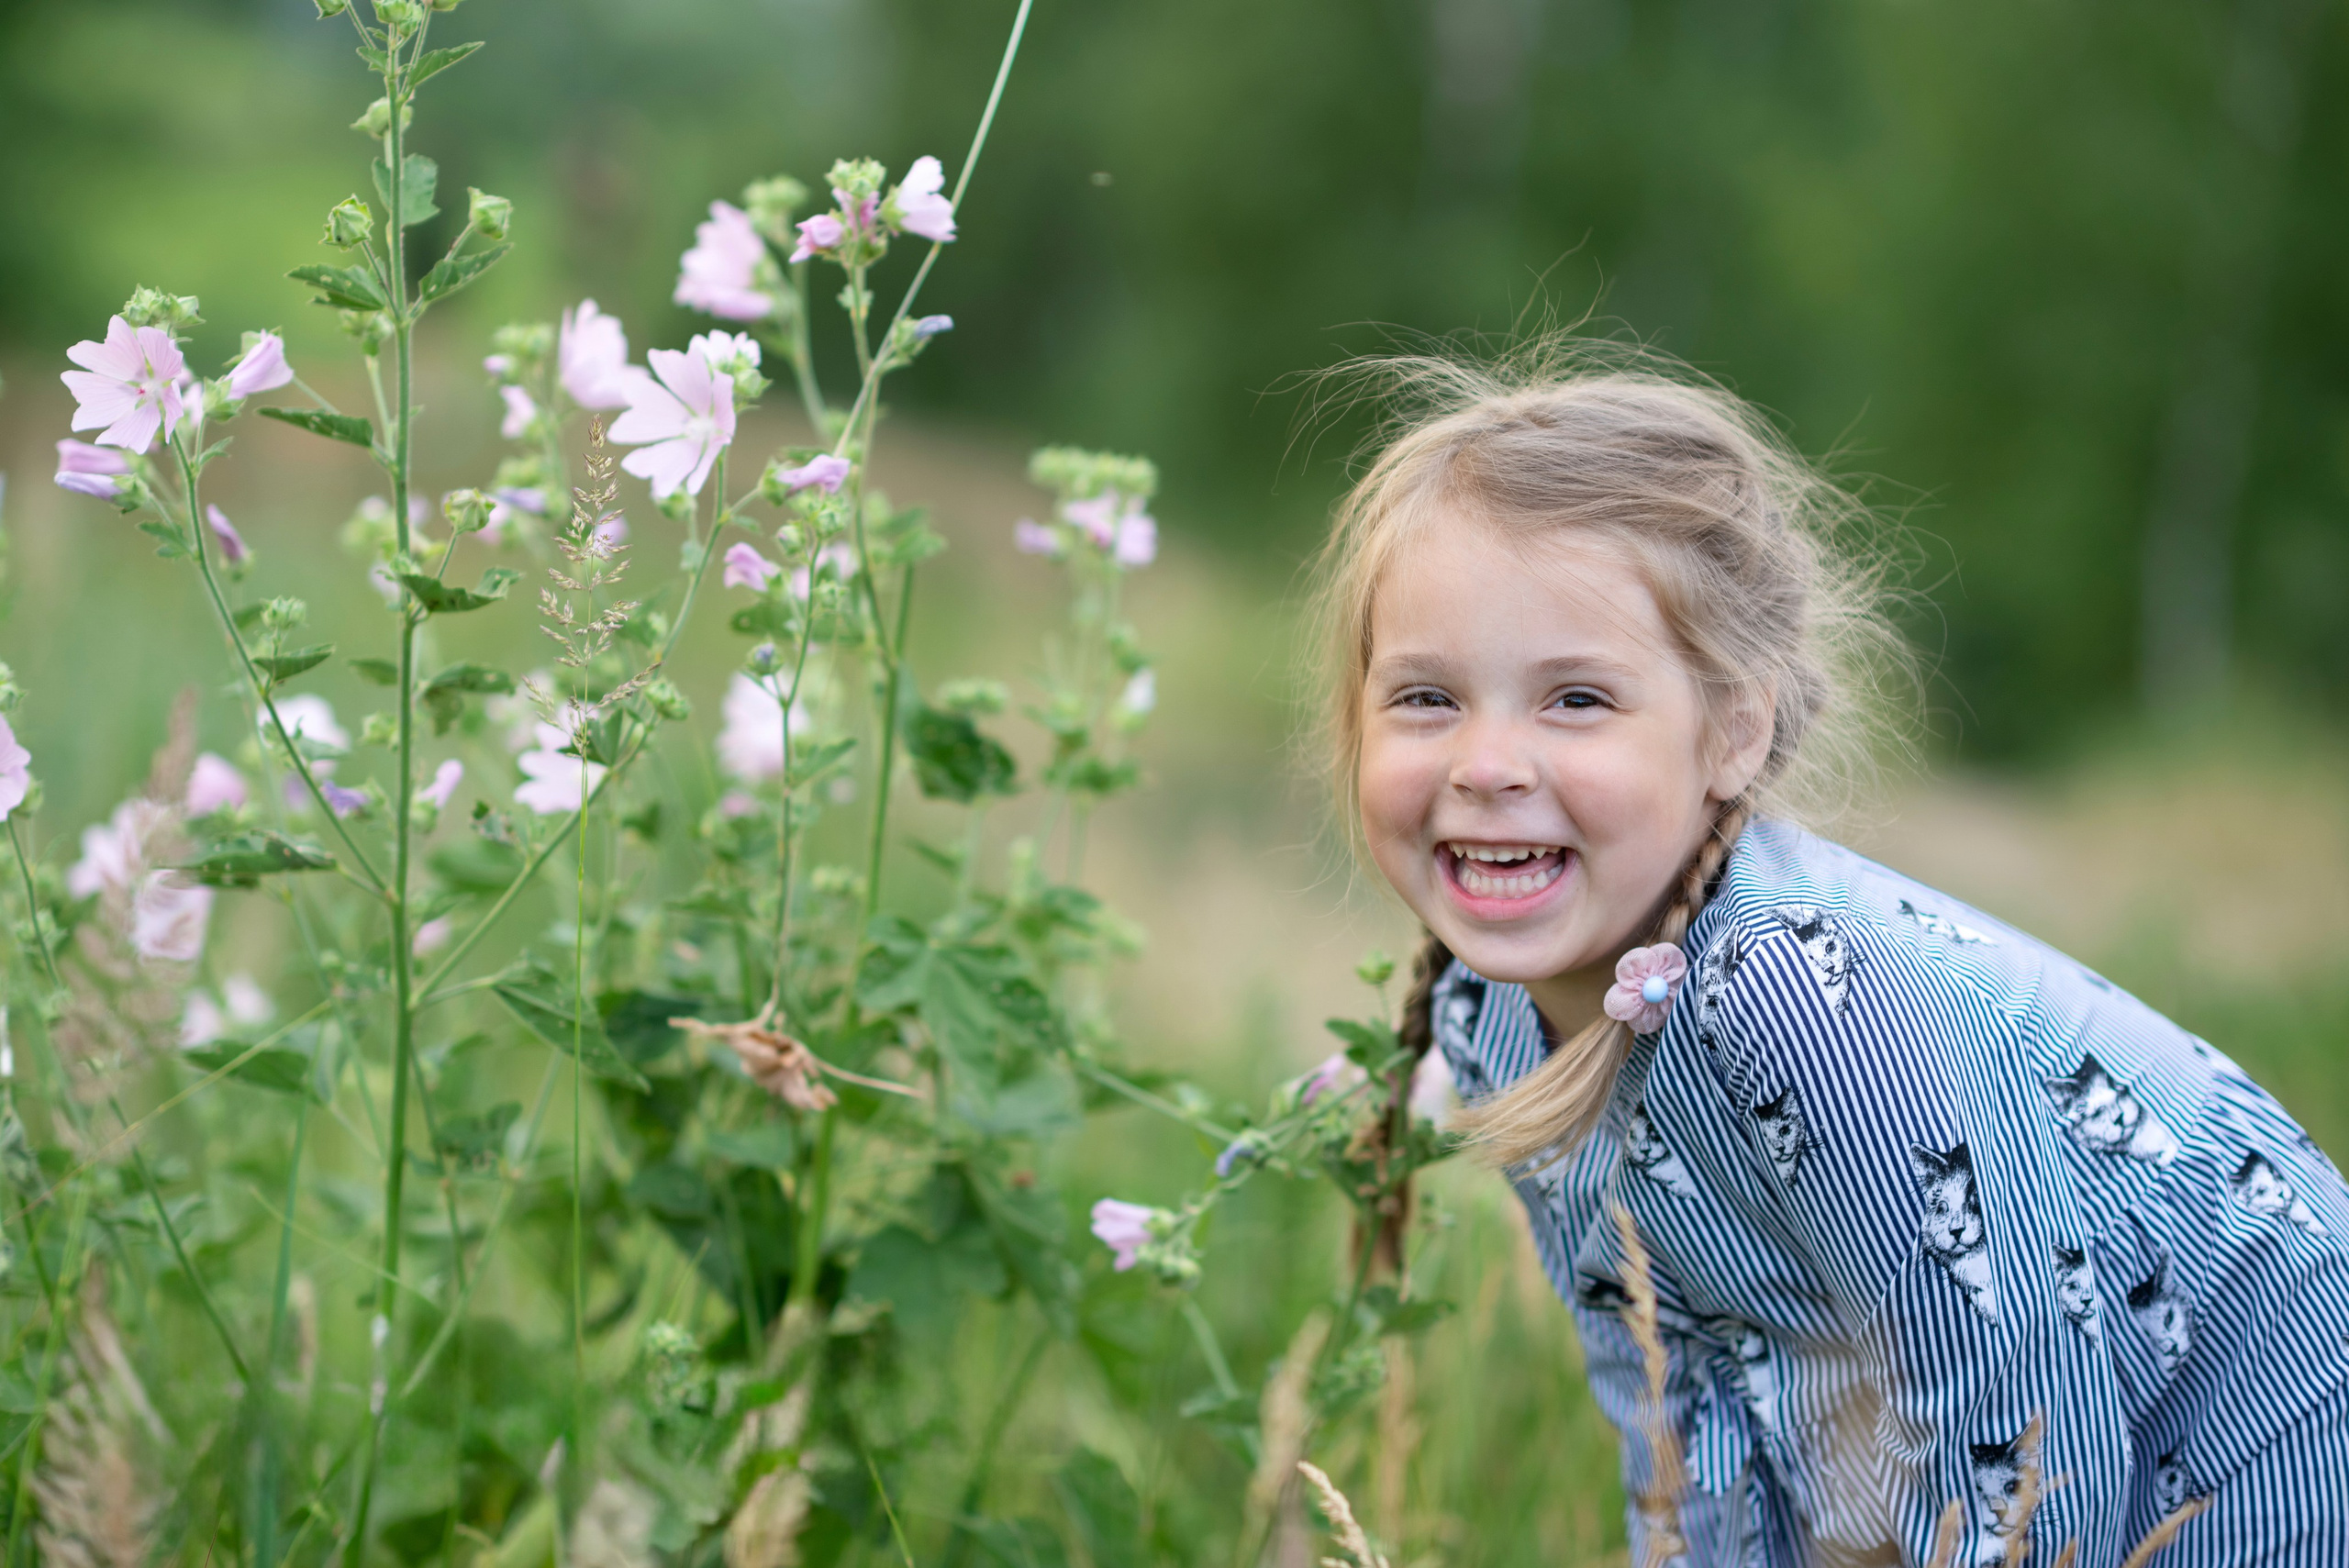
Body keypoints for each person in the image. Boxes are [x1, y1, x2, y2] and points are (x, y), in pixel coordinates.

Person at [1309, 347, 2349, 1566]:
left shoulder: (1798, 996)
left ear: (1733, 732)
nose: (1486, 763)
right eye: (1427, 698)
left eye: (1576, 699)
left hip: (2265, 1474)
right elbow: (1672, 1409)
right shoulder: (1490, 1013)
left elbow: (2020, 1452)